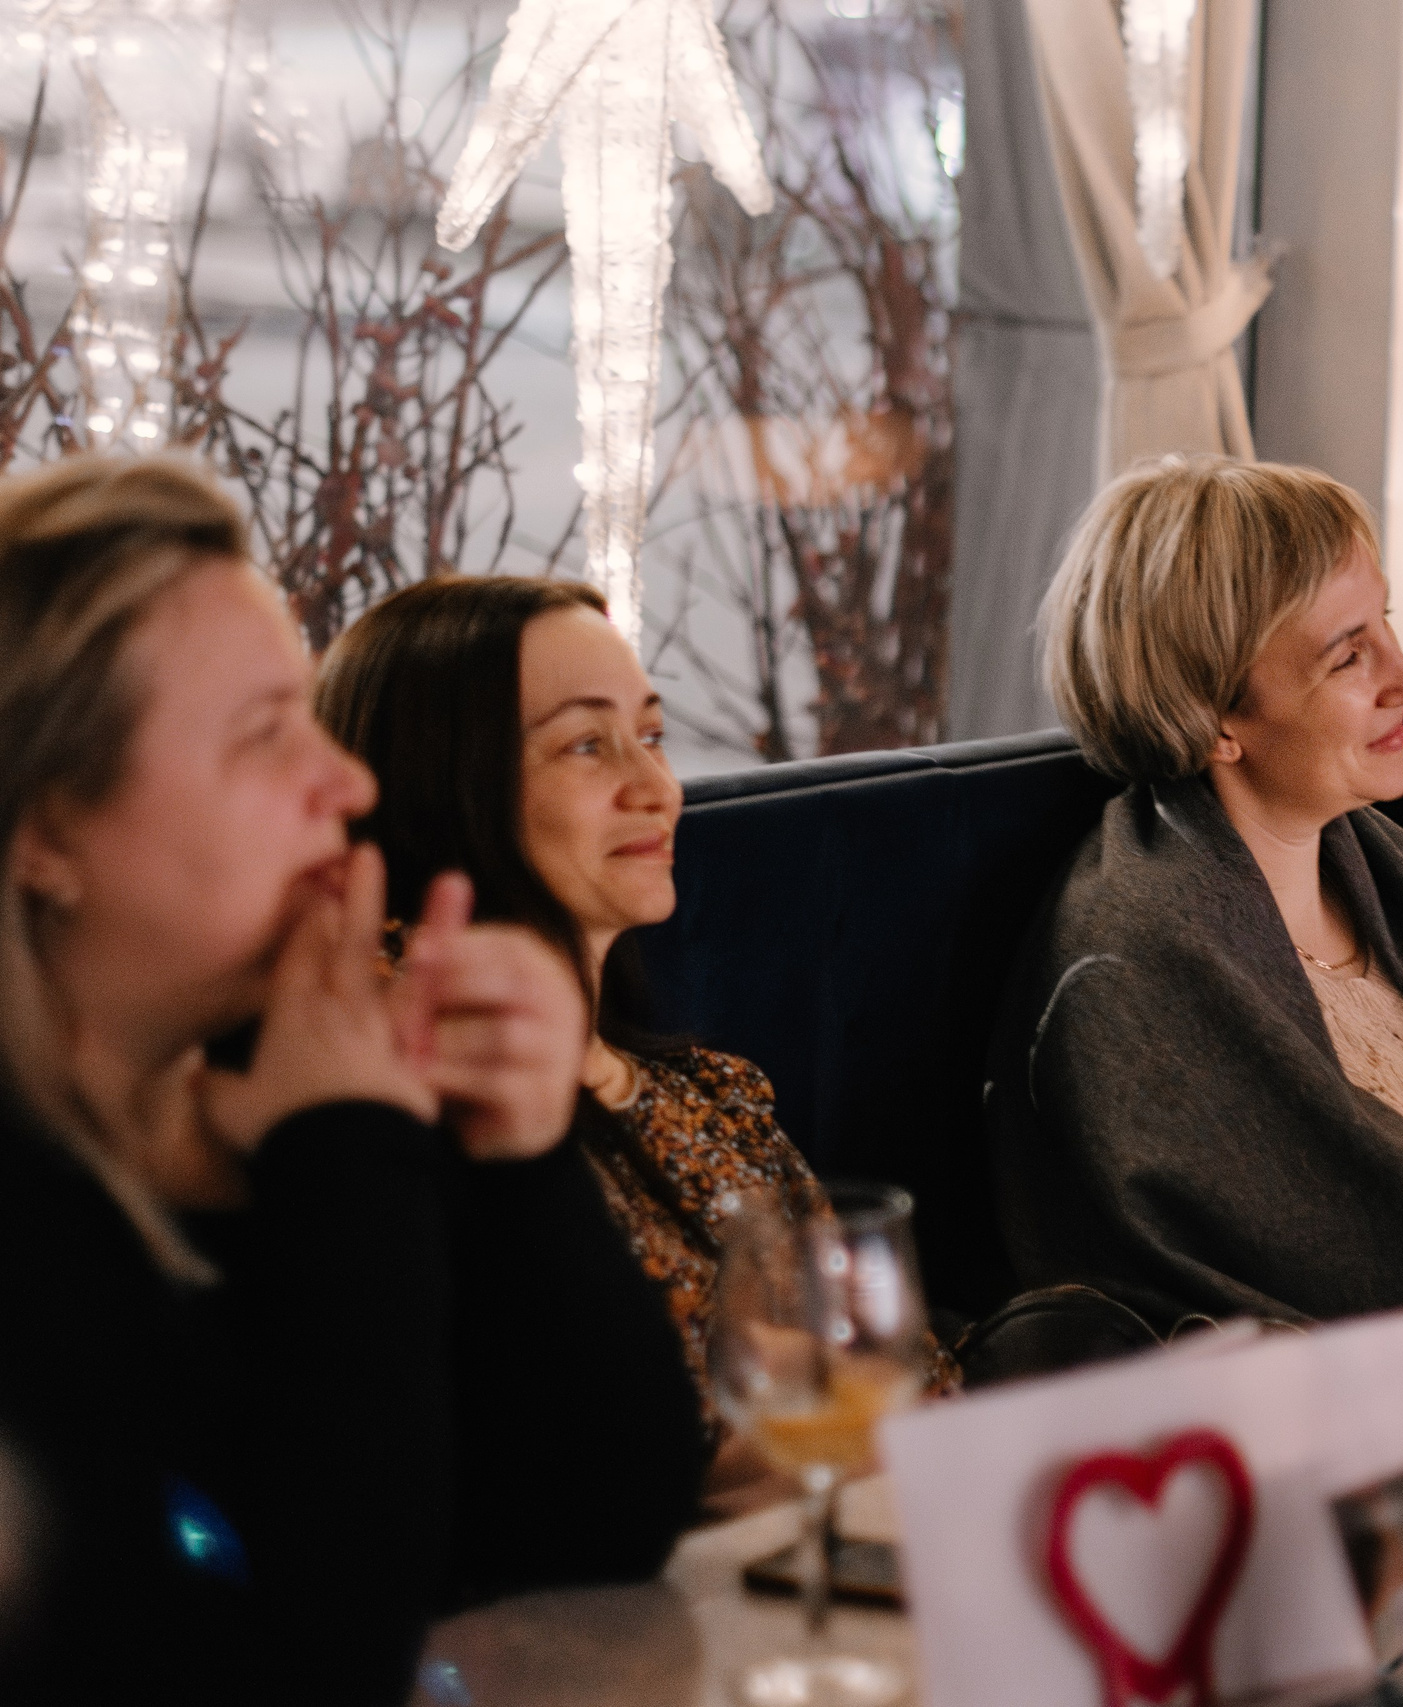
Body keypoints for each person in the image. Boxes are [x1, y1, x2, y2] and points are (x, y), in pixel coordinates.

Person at [0, 458, 705, 1706]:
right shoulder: (61, 1235)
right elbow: (302, 1654)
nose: (351, 788)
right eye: (266, 738)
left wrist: (525, 1152)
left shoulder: (301, 1088)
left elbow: (604, 1525)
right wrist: (346, 1151)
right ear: (48, 832)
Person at [986, 455, 1403, 1477]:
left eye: (1387, 624)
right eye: (1348, 657)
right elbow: (1326, 1332)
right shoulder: (1138, 972)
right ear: (1214, 718)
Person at [316, 577, 828, 1482]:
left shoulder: (714, 1095)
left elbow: (890, 1370)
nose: (656, 787)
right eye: (588, 744)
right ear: (447, 780)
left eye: (655, 736)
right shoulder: (394, 1085)